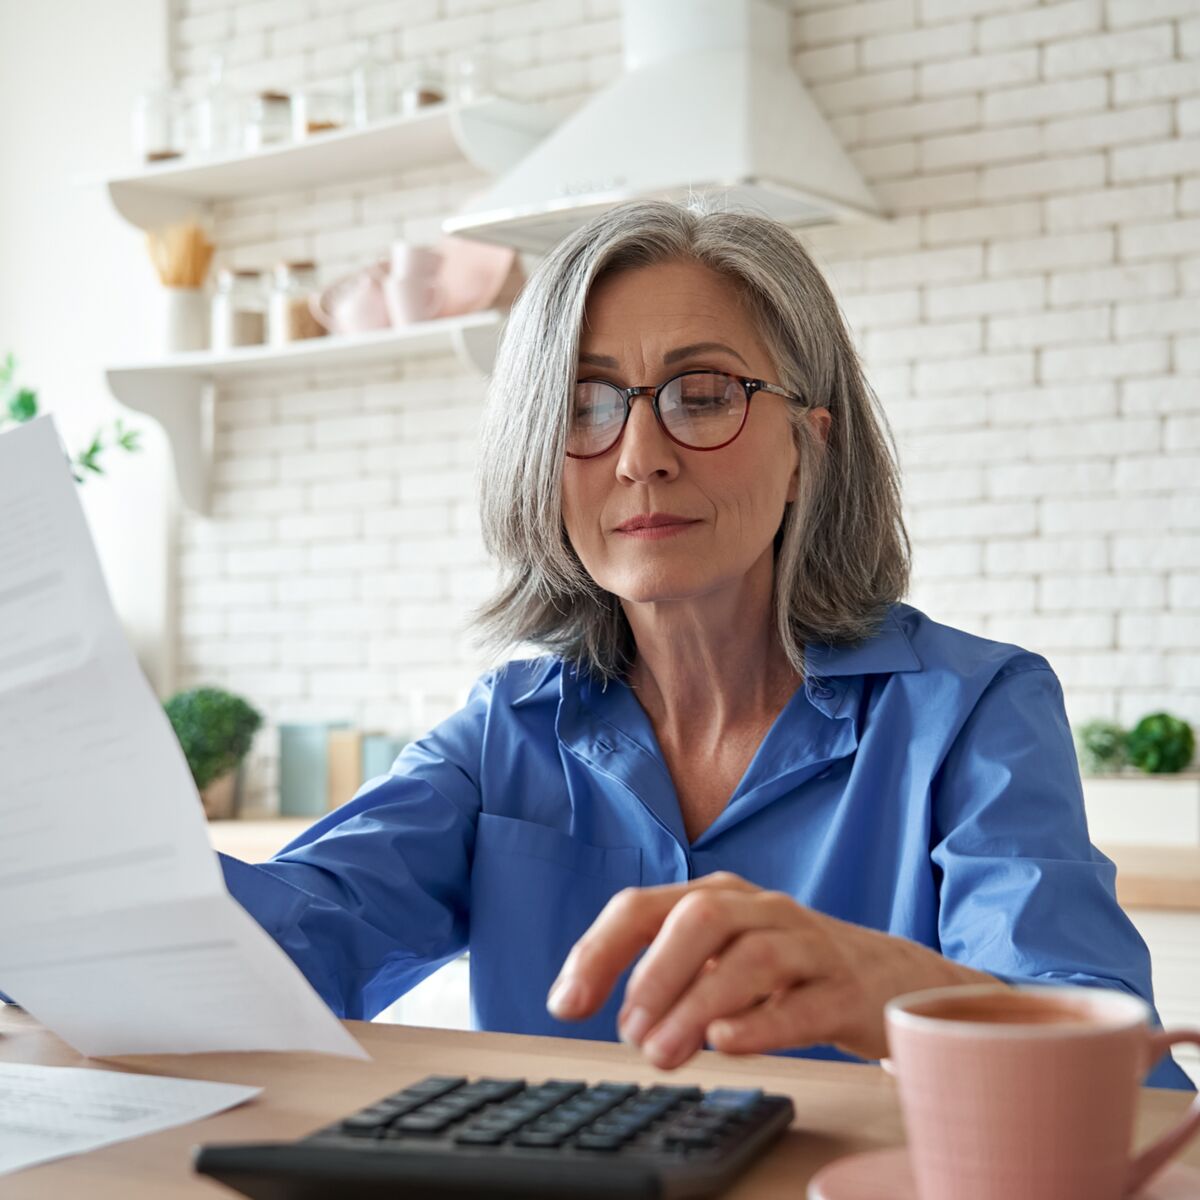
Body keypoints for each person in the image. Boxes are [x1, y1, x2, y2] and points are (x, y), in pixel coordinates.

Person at [217, 198, 1191, 1089]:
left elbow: (1125, 1089)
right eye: (585, 405)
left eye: (705, 391)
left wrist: (891, 987)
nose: (642, 455)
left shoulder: (971, 713)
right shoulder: (501, 737)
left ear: (812, 446)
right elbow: (278, 946)